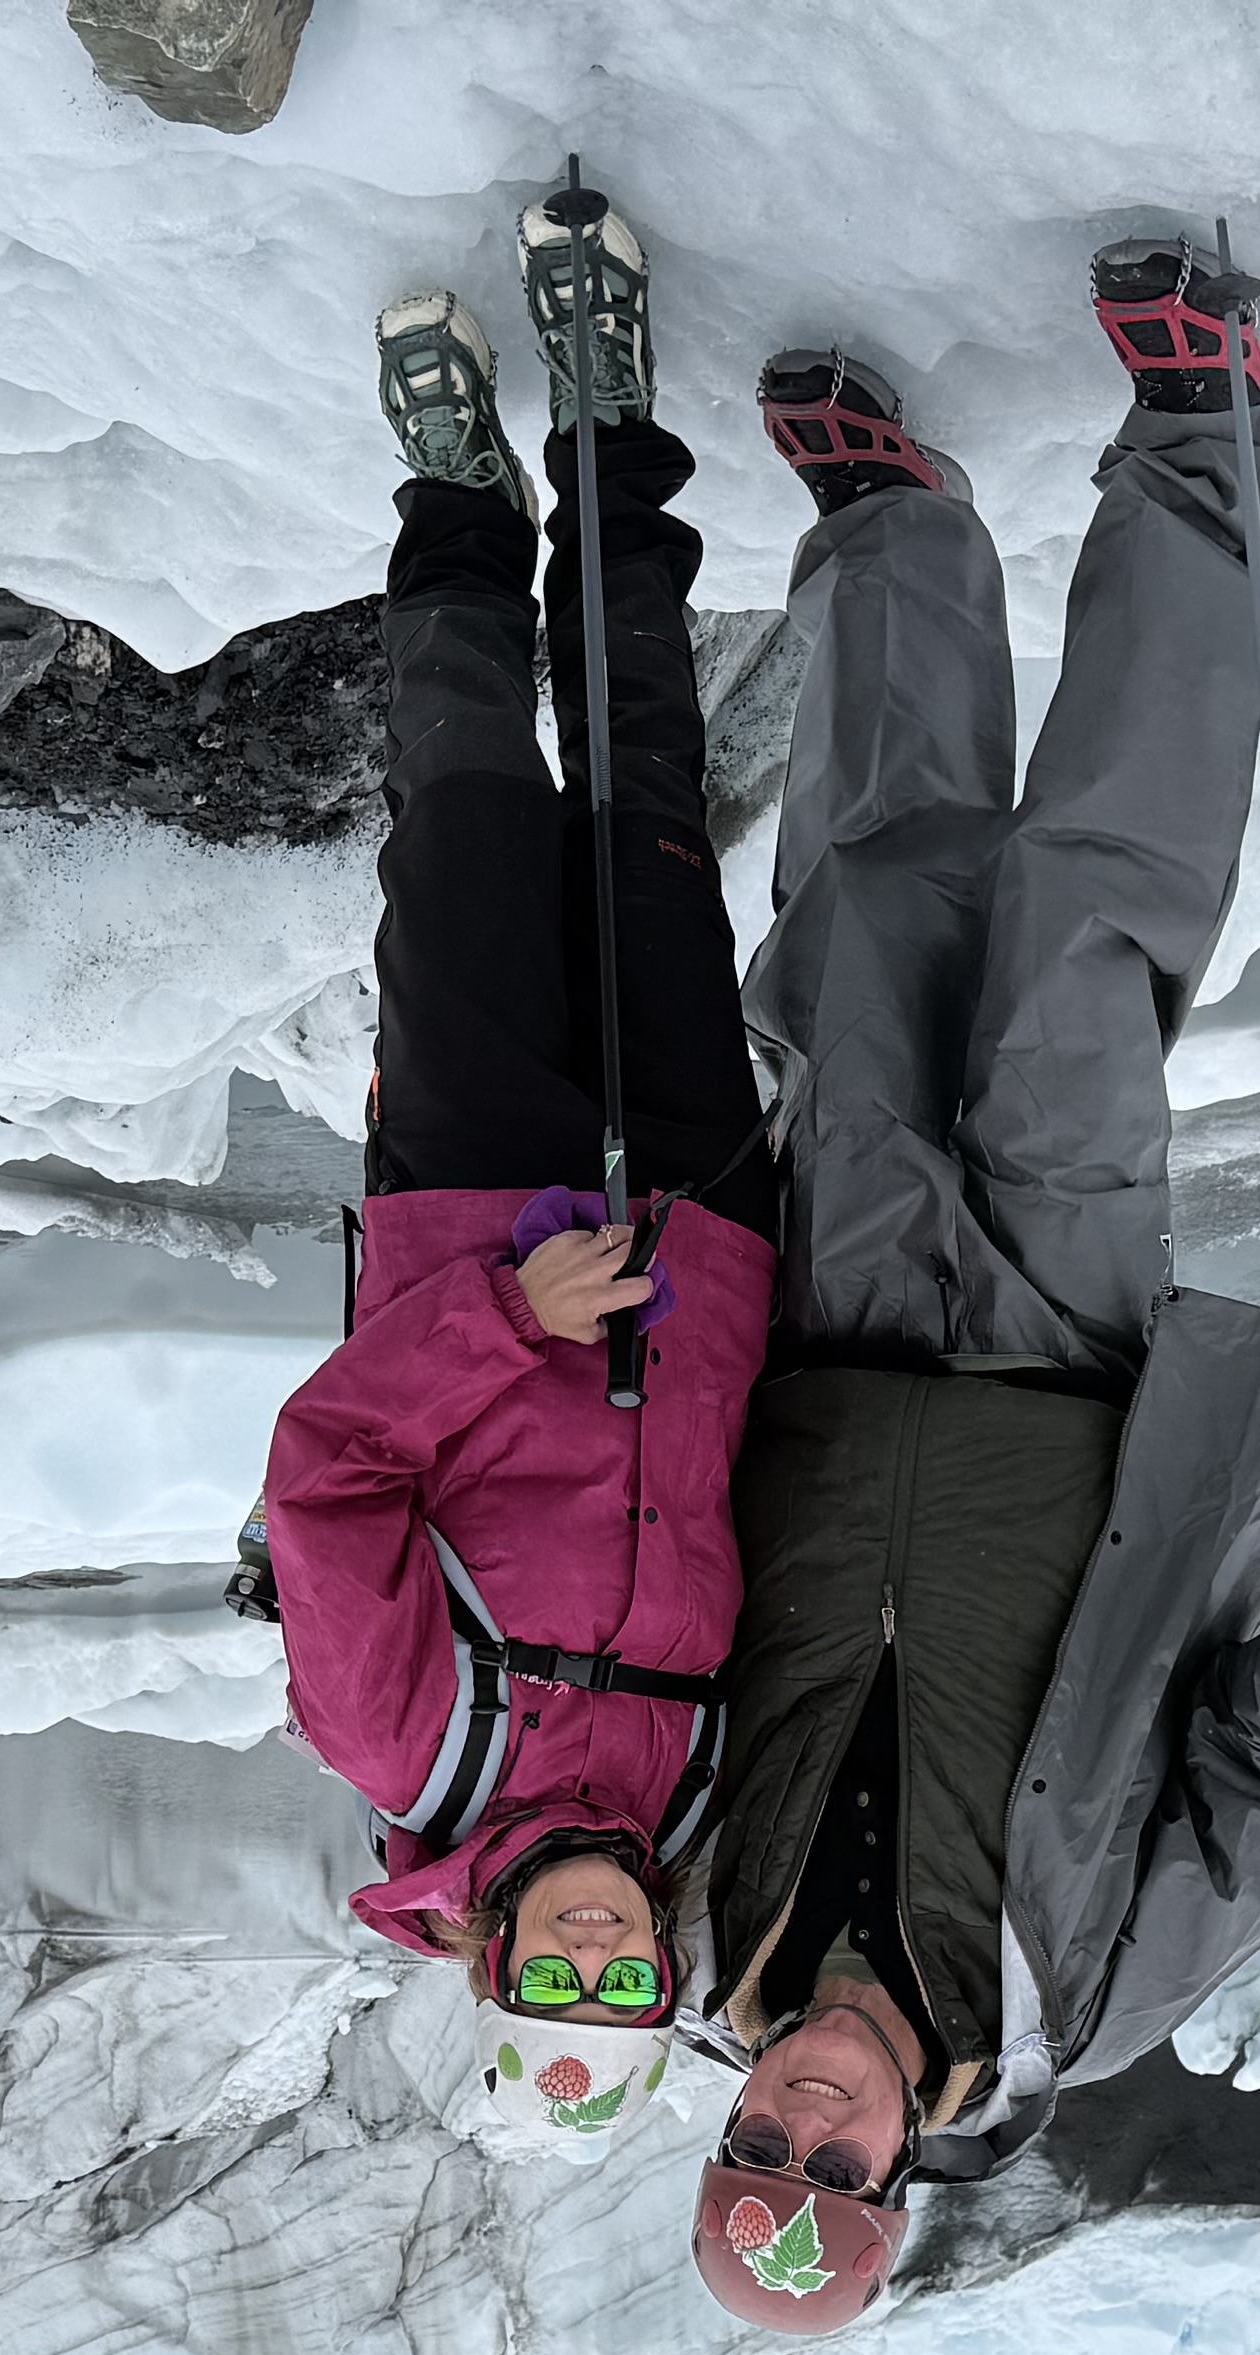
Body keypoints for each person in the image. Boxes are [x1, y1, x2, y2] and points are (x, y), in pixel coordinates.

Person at [680, 245, 1260, 2334]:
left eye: (757, 2147)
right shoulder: (1081, 2004)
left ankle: (893, 542)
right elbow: (1255, 1800)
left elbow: (584, 1703)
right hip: (1069, 1390)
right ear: (893, 2176)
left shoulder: (670, 1935)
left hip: (828, 1377)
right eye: (833, 2169)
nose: (803, 2119)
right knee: (1074, 967)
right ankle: (1209, 452)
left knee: (857, 940)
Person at [254, 181, 777, 2148]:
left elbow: (331, 1474)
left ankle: (460, 491)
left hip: (480, 1207)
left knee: (471, 814)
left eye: (551, 1987)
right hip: (707, 1232)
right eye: (622, 1988)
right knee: (652, 807)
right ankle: (606, 439)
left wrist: (501, 1310)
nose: (588, 1956)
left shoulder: (405, 1747)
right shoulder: (705, 1792)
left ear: (494, 1974)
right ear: (658, 1973)